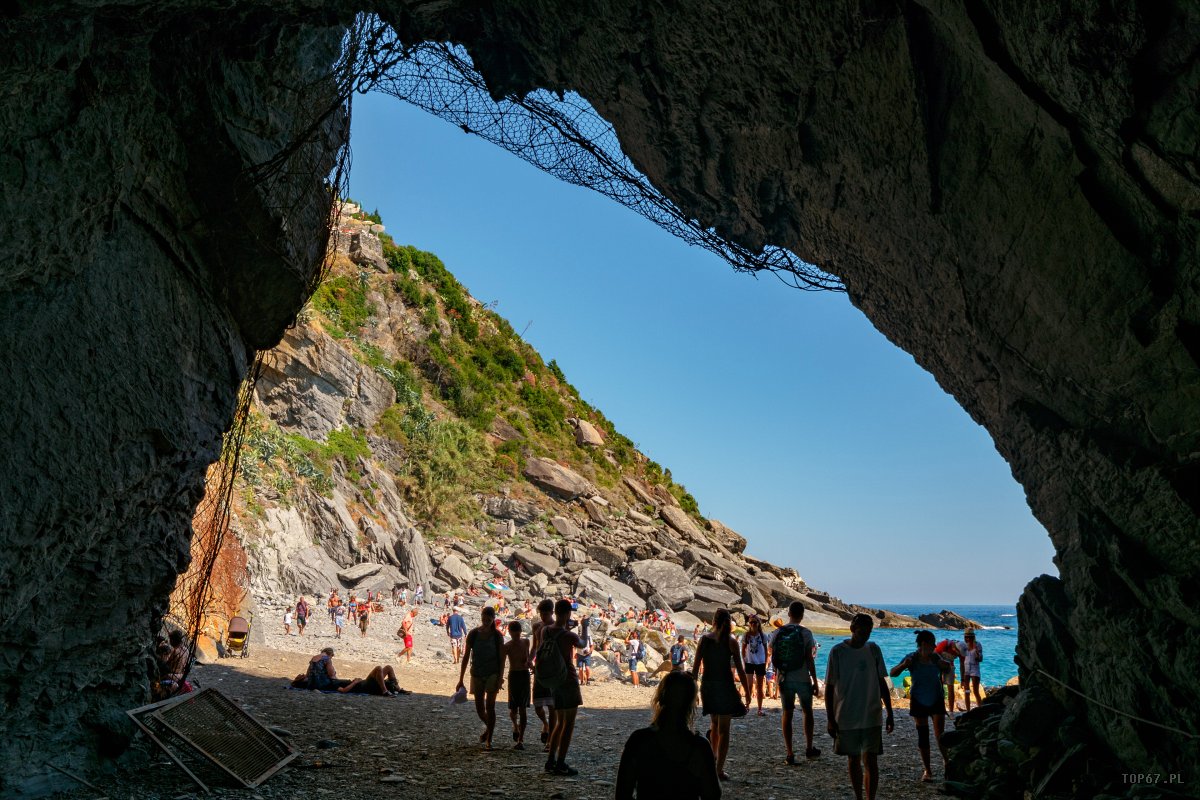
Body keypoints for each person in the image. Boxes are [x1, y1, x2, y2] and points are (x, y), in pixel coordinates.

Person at [615, 670, 721, 800]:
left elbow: (622, 793)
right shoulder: (700, 747)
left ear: (660, 698)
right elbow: (713, 794)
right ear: (693, 703)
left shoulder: (639, 740)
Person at [825, 613, 893, 800]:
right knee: (853, 758)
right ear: (852, 629)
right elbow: (829, 688)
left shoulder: (873, 650)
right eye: (862, 632)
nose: (865, 636)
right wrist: (830, 719)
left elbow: (882, 683)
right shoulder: (837, 652)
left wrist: (890, 712)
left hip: (872, 714)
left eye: (869, 632)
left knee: (871, 760)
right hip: (846, 715)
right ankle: (858, 796)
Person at [692, 608, 749, 781]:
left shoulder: (704, 640)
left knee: (715, 723)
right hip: (725, 687)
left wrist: (693, 691)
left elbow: (695, 670)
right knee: (724, 729)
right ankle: (718, 769)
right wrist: (747, 691)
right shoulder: (732, 642)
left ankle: (713, 758)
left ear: (713, 621)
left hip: (708, 687)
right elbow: (740, 669)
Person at [890, 630, 953, 782]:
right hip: (918, 699)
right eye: (933, 643)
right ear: (924, 644)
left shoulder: (935, 657)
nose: (935, 646)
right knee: (923, 736)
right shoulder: (912, 658)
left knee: (940, 735)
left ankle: (947, 763)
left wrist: (944, 664)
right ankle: (928, 770)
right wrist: (904, 665)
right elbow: (893, 673)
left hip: (936, 698)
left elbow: (948, 668)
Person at [539, 598, 590, 776]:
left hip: (553, 680)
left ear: (555, 612)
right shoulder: (569, 635)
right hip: (568, 679)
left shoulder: (545, 631)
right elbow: (583, 645)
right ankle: (561, 762)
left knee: (560, 722)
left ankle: (550, 760)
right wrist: (584, 626)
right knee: (569, 724)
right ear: (568, 613)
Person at [772, 601, 821, 764]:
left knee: (787, 713)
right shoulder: (806, 633)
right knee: (808, 712)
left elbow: (774, 657)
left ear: (789, 614)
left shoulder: (777, 632)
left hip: (784, 678)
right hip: (802, 678)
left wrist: (776, 678)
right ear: (802, 615)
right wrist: (814, 681)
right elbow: (809, 660)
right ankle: (809, 748)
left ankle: (790, 752)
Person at [457, 606, 505, 749]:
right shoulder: (473, 634)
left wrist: (500, 677)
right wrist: (460, 679)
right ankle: (489, 729)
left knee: (490, 707)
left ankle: (489, 739)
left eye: (489, 620)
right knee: (479, 709)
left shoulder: (497, 636)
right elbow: (466, 657)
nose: (486, 621)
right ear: (481, 617)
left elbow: (502, 659)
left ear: (493, 620)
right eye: (484, 618)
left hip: (493, 673)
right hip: (476, 673)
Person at [501, 620, 532, 749]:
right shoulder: (507, 646)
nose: (516, 636)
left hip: (523, 675)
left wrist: (530, 664)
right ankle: (515, 726)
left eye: (517, 633)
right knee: (514, 708)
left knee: (522, 708)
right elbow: (502, 663)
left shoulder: (526, 642)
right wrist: (500, 678)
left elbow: (528, 657)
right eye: (514, 634)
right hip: (514, 675)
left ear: (520, 632)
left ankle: (521, 739)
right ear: (510, 633)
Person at [530, 599, 556, 749]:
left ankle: (550, 740)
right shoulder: (537, 627)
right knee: (538, 705)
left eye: (545, 614)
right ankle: (545, 724)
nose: (543, 616)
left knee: (552, 706)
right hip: (539, 667)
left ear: (552, 613)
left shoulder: (556, 627)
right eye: (541, 614)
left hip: (552, 669)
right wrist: (529, 660)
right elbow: (535, 646)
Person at [740, 616, 769, 717]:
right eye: (751, 622)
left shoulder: (763, 635)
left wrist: (766, 662)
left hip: (760, 662)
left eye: (755, 622)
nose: (753, 624)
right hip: (749, 662)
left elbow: (766, 650)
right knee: (749, 685)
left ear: (758, 624)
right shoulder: (746, 635)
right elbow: (743, 649)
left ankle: (759, 709)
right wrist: (744, 661)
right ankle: (747, 706)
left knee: (760, 686)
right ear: (749, 624)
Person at [958, 629, 984, 711]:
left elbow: (980, 659)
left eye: (969, 637)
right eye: (966, 637)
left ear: (973, 637)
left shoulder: (978, 645)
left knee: (976, 691)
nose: (967, 638)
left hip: (975, 669)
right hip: (966, 670)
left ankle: (980, 710)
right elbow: (961, 663)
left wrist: (977, 653)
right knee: (967, 692)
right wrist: (961, 678)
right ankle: (968, 711)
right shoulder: (963, 646)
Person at [338, 664, 403, 696]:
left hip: (369, 684)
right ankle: (384, 691)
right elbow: (344, 690)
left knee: (389, 667)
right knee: (378, 668)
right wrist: (355, 682)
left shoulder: (338, 681)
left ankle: (398, 689)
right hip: (366, 687)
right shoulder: (337, 684)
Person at [934, 639, 962, 711]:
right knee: (937, 687)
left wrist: (963, 679)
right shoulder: (945, 643)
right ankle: (937, 708)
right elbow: (934, 655)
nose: (957, 654)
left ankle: (951, 711)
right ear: (954, 647)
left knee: (950, 688)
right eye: (957, 652)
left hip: (949, 665)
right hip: (937, 664)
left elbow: (962, 665)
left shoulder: (962, 651)